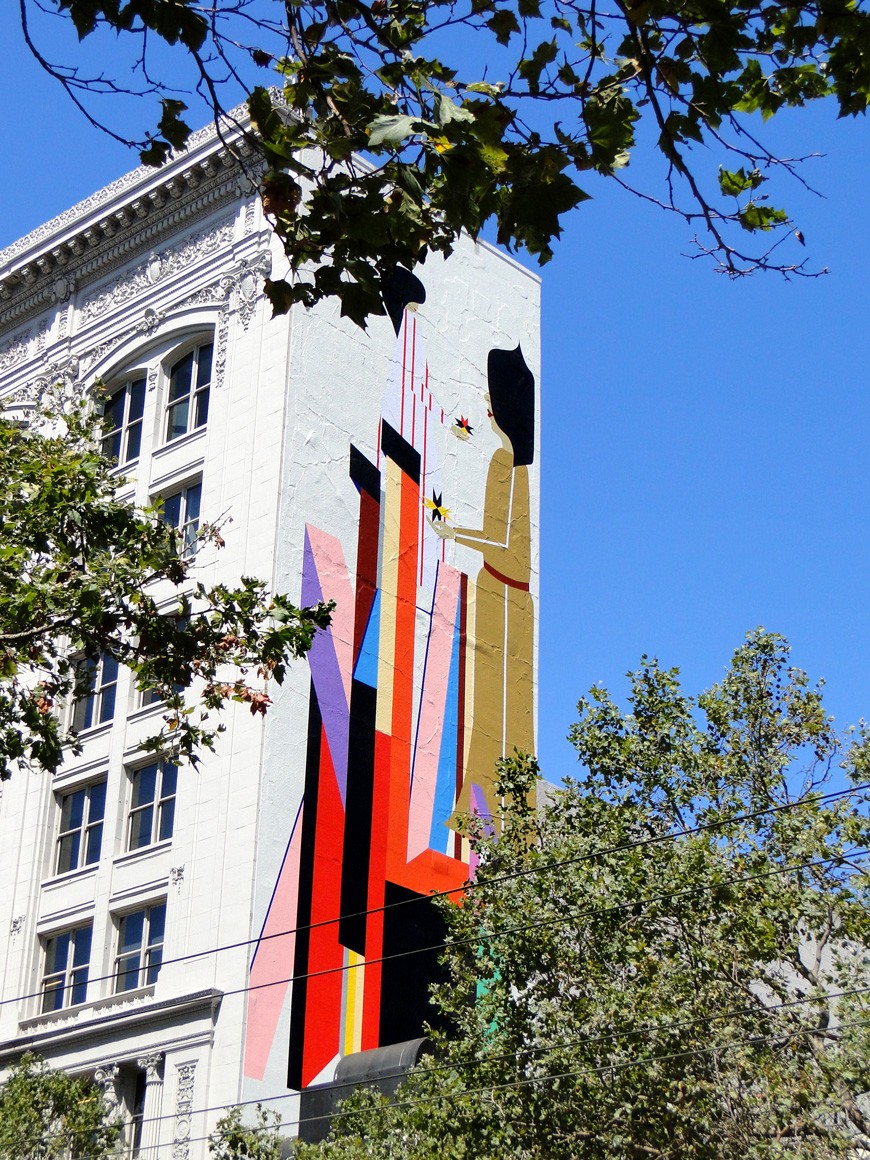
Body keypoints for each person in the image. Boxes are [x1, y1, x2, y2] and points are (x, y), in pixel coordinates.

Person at [433, 344, 535, 822]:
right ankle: (485, 813)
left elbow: (505, 542)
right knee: (493, 710)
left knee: (497, 708)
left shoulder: (506, 462)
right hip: (504, 594)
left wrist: (454, 534)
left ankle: (488, 815)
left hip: (503, 594)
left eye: (491, 400)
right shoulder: (511, 463)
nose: (487, 408)